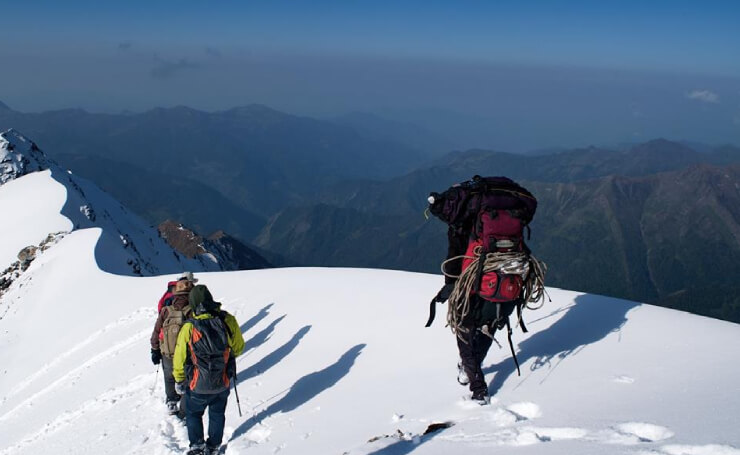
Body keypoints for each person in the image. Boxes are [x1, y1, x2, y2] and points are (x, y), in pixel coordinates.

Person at [173, 284, 245, 455]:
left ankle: (197, 446)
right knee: (217, 413)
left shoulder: (189, 327)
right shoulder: (227, 320)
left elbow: (179, 357)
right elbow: (239, 347)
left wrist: (179, 379)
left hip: (197, 383)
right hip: (222, 380)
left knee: (193, 413)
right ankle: (213, 446)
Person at [150, 272, 198, 416]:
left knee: (169, 377)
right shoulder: (193, 310)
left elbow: (156, 331)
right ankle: (184, 408)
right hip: (187, 354)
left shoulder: (167, 310)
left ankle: (171, 401)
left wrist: (155, 349)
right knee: (187, 379)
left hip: (168, 352)